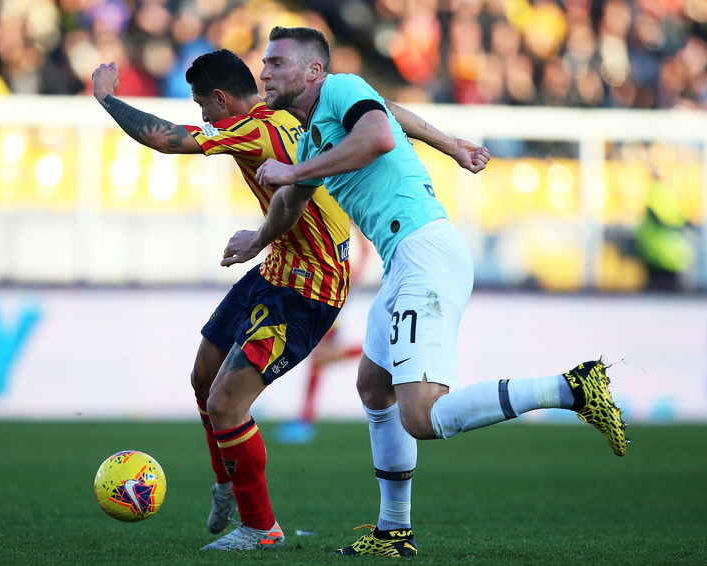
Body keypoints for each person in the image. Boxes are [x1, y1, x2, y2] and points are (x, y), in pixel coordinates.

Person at [221, 26, 629, 557]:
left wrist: (296, 171)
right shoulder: (313, 134)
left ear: (313, 71)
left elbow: (381, 134)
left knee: (423, 417)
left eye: (276, 62)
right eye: (264, 63)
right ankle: (395, 530)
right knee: (373, 386)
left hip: (424, 255)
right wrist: (257, 239)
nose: (265, 71)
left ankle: (573, 388)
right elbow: (296, 199)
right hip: (403, 263)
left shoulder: (340, 89)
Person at [91, 48, 476, 552]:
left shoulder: (255, 126)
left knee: (226, 401)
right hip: (276, 265)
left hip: (308, 286)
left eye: (203, 106)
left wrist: (106, 99)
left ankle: (260, 529)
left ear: (222, 99)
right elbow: (388, 111)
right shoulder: (306, 110)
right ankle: (228, 479)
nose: (203, 117)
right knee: (204, 375)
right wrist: (450, 144)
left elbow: (170, 140)